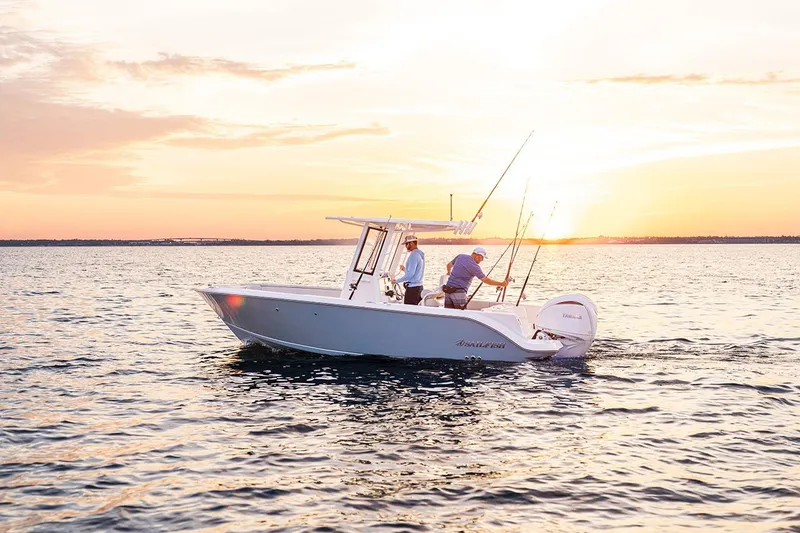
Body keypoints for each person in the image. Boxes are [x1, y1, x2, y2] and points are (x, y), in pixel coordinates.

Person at [443, 246, 508, 309]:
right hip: (459, 292)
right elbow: (486, 280)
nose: (482, 260)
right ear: (476, 255)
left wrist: (449, 272)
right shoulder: (474, 266)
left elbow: (449, 265)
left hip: (447, 290)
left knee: (450, 313)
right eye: (481, 257)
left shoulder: (460, 256)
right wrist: (502, 284)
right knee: (462, 313)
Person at [392, 234, 425, 305]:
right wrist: (404, 269)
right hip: (419, 287)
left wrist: (396, 281)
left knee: (409, 310)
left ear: (412, 243)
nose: (405, 246)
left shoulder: (413, 255)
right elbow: (416, 272)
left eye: (407, 244)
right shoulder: (420, 254)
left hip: (413, 289)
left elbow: (410, 274)